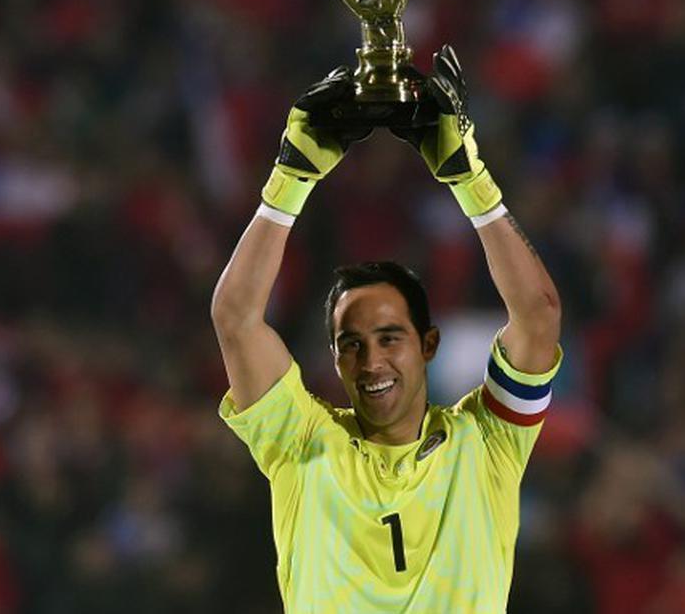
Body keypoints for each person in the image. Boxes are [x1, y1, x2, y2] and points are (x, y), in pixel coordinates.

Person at [210, 45, 562, 613]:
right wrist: (290, 179)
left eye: (389, 338)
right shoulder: (300, 440)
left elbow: (538, 315)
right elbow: (235, 318)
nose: (371, 360)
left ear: (429, 344)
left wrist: (470, 179)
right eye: (352, 345)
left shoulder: (488, 443)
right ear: (334, 357)